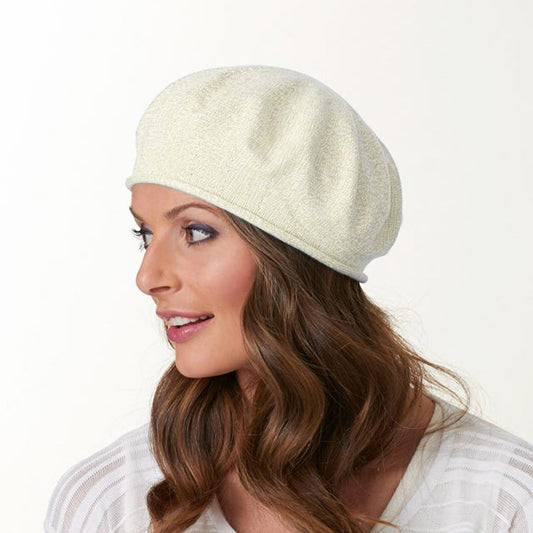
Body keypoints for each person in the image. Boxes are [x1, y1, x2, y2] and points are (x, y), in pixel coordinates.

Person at [44, 65, 533, 533]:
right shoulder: (110, 501)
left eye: (196, 231)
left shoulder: (504, 502)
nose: (147, 276)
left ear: (297, 255)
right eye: (145, 234)